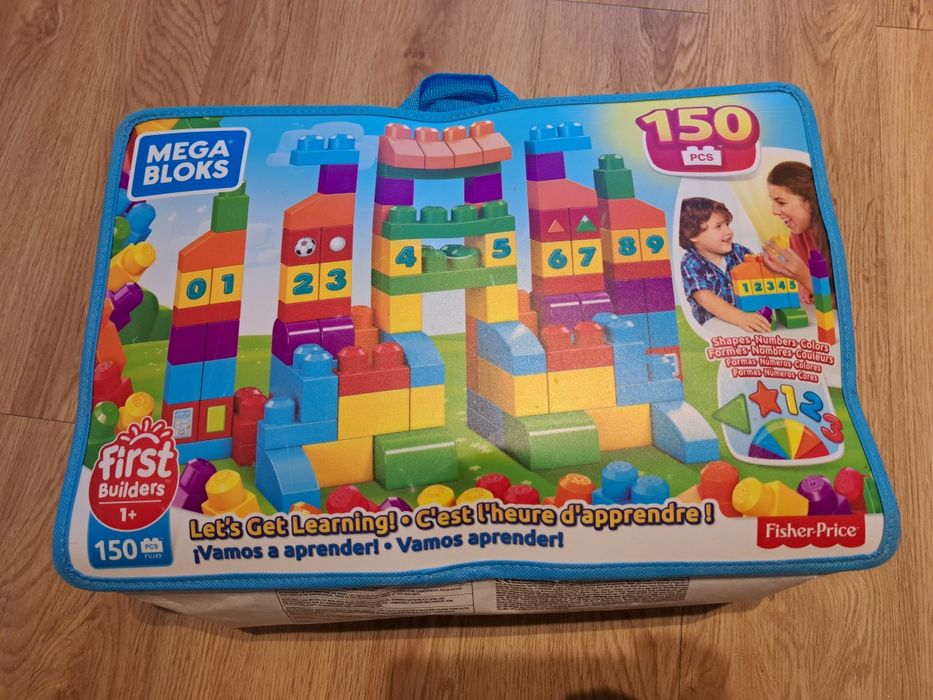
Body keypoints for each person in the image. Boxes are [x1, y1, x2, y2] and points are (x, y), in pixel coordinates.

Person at [679, 197, 772, 333]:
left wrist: (768, 264)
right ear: (692, 234)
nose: (728, 231)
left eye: (727, 224)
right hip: (715, 329)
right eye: (718, 226)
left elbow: (760, 278)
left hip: (748, 322)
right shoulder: (691, 263)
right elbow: (704, 297)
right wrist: (740, 317)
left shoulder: (740, 252)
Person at [762, 161, 832, 304]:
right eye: (773, 201)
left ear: (810, 201)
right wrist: (784, 274)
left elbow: (845, 305)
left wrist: (804, 277)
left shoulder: (837, 236)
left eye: (781, 202)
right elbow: (807, 297)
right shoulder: (797, 236)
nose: (774, 211)